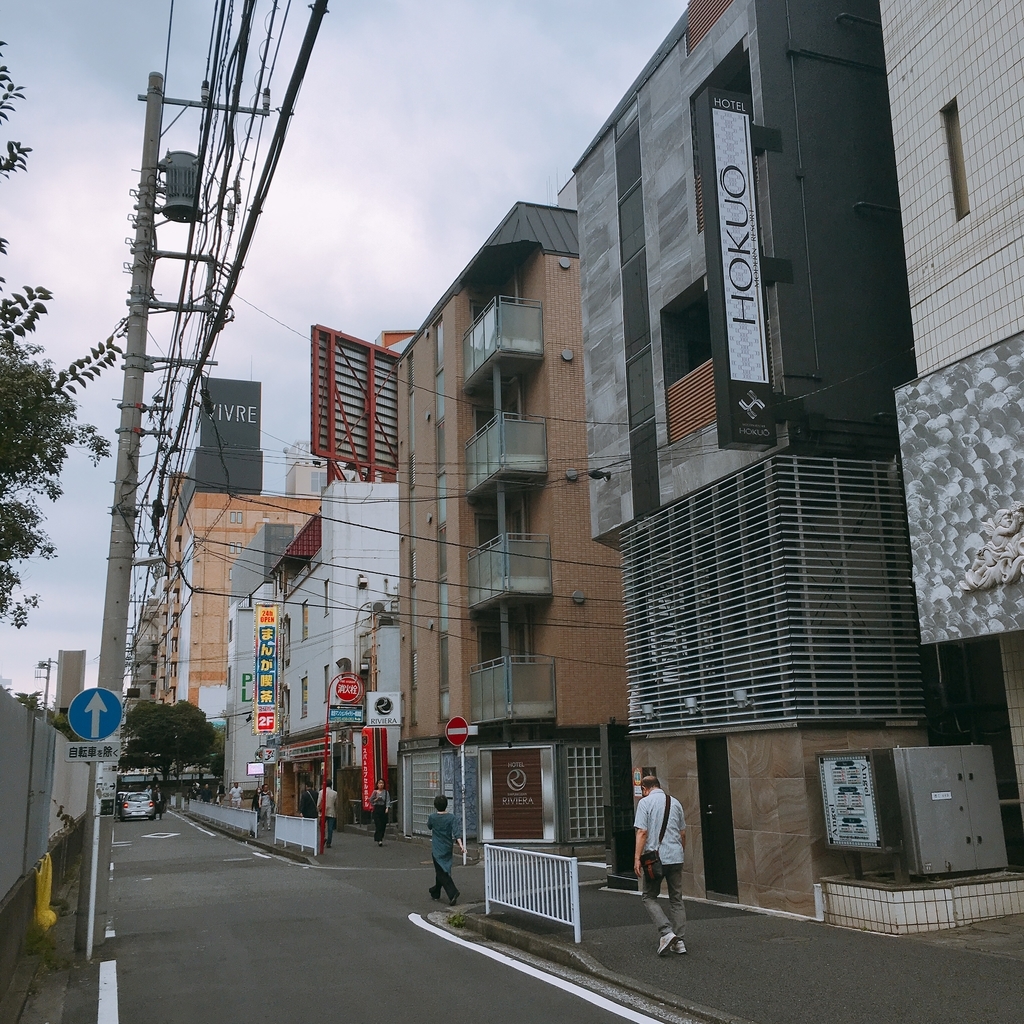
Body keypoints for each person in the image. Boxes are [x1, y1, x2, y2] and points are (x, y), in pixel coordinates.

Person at [634, 775, 687, 956]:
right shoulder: (676, 803)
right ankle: (679, 942)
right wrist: (680, 852)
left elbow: (642, 832)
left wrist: (636, 858)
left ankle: (666, 932)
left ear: (645, 789)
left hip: (655, 859)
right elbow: (683, 833)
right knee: (676, 899)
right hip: (676, 857)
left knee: (648, 896)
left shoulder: (645, 803)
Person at [427, 794, 463, 905]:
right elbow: (456, 833)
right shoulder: (451, 817)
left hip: (437, 848)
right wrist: (461, 846)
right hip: (448, 847)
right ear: (446, 805)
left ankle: (452, 892)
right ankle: (435, 891)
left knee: (441, 871)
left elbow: (429, 826)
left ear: (435, 805)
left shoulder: (432, 817)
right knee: (443, 869)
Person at [369, 779, 391, 847]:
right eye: (379, 783)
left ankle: (381, 837)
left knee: (383, 825)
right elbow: (371, 800)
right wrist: (376, 799)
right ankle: (379, 839)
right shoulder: (375, 792)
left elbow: (388, 800)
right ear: (377, 785)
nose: (381, 784)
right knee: (378, 824)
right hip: (377, 808)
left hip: (383, 808)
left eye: (382, 783)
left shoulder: (386, 792)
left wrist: (387, 808)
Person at [318, 783, 338, 848]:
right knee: (330, 828)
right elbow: (336, 804)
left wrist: (318, 810)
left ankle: (323, 838)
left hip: (323, 812)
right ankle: (329, 842)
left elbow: (318, 803)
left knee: (322, 826)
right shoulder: (335, 793)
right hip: (331, 812)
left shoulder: (321, 792)